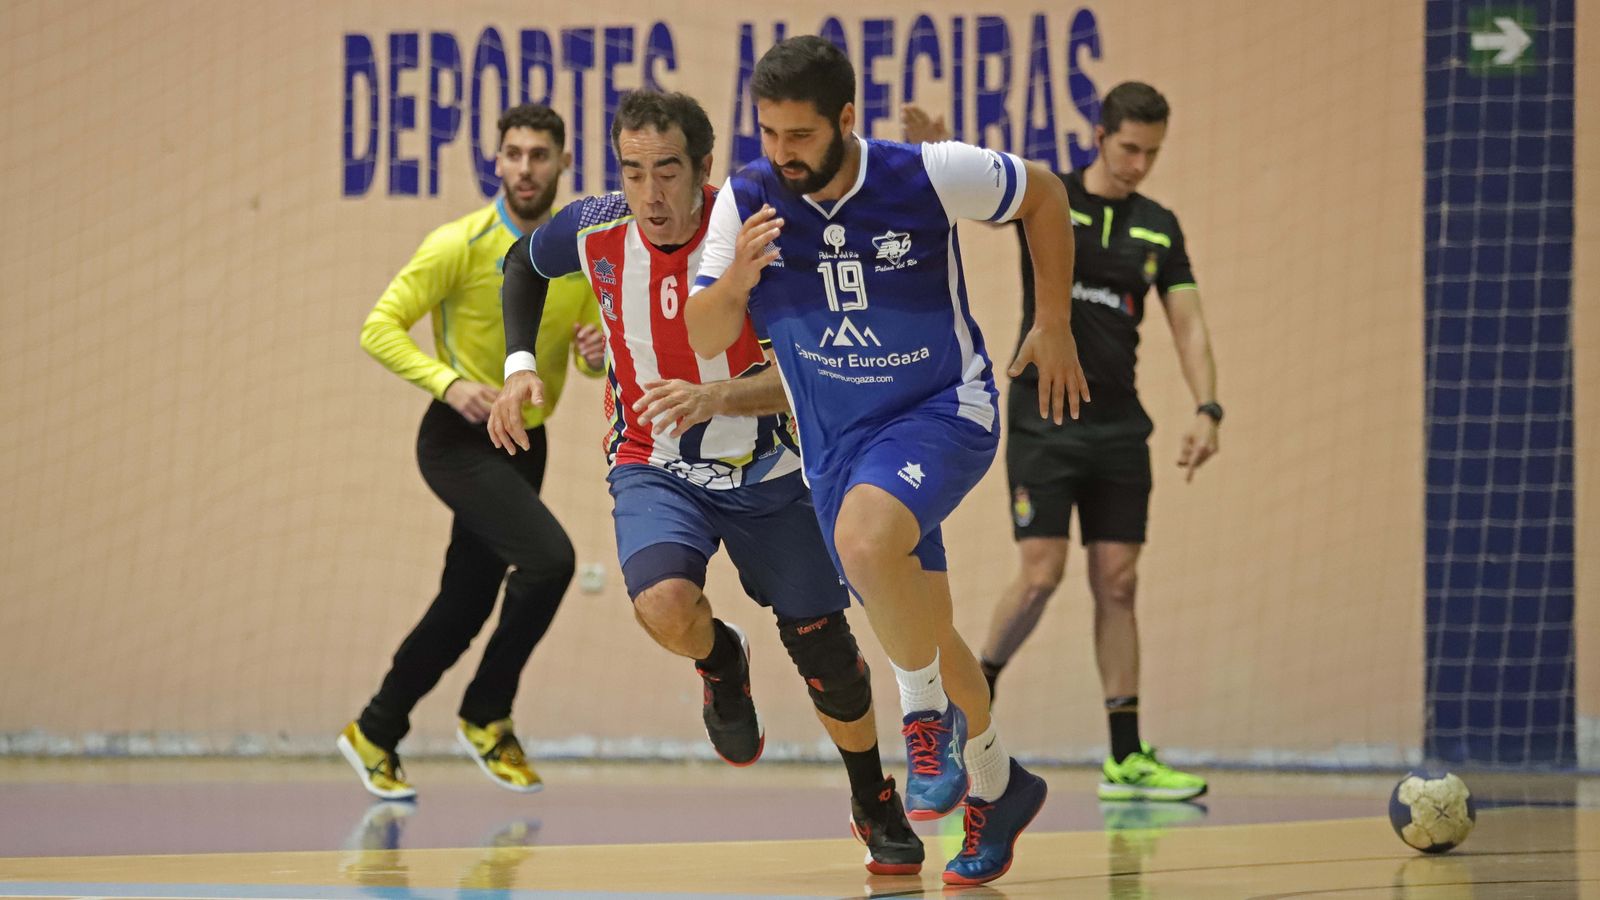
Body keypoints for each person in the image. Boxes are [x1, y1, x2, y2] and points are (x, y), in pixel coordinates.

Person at [485, 89, 923, 875]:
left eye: (668, 171)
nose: (651, 194)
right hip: (655, 462)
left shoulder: (762, 237)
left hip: (774, 467)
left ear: (704, 168)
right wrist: (519, 369)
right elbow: (521, 264)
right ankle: (721, 661)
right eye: (633, 172)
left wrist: (719, 396)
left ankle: (872, 797)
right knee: (661, 604)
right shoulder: (596, 227)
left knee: (826, 654)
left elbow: (816, 376)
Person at [684, 36, 1090, 886]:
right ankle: (996, 783)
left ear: (844, 119)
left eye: (799, 135)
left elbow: (1046, 195)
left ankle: (923, 726)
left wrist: (1052, 320)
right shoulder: (749, 199)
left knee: (870, 548)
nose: (781, 153)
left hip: (943, 408)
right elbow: (707, 336)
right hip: (838, 443)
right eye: (767, 133)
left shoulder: (926, 172)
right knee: (926, 625)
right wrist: (735, 282)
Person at [903, 82, 1217, 802]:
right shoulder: (1052, 197)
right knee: (1041, 573)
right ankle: (965, 710)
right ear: (1101, 136)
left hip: (1118, 428)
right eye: (1130, 148)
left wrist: (1209, 407)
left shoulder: (1159, 227)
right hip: (1044, 416)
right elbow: (974, 204)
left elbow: (1189, 323)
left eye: (1153, 153)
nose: (1139, 164)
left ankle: (1126, 758)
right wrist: (943, 146)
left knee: (1118, 582)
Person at [338, 104, 606, 800]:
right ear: (496, 161)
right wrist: (449, 383)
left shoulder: (575, 255)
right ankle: (487, 715)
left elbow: (586, 361)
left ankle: (375, 728)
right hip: (458, 440)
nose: (525, 167)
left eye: (539, 155)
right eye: (513, 153)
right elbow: (379, 326)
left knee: (463, 602)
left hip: (527, 441)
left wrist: (595, 355)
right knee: (550, 562)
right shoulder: (456, 243)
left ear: (562, 165)